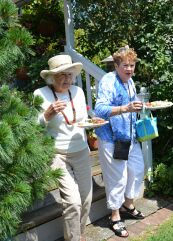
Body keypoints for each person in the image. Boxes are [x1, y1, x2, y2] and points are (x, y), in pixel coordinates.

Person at [34, 54, 92, 241]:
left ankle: (79, 234)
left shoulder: (78, 92)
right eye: (62, 75)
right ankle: (73, 239)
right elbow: (33, 126)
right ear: (52, 77)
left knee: (86, 198)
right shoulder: (40, 94)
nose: (67, 79)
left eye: (70, 74)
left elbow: (83, 120)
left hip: (81, 150)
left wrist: (92, 125)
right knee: (73, 202)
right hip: (57, 154)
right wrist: (47, 115)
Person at [95, 46, 145, 238]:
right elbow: (99, 109)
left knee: (137, 170)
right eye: (125, 65)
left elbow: (132, 106)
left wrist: (140, 106)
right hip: (112, 138)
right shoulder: (109, 81)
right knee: (117, 178)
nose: (130, 69)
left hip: (129, 136)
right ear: (116, 65)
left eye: (132, 65)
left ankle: (127, 204)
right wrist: (125, 108)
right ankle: (115, 216)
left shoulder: (130, 81)